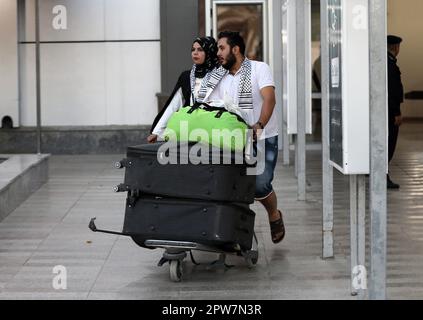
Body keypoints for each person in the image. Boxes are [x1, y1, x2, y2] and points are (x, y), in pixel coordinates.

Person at [207, 31, 285, 244]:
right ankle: (234, 229)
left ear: (236, 49)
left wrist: (259, 125)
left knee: (259, 185)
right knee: (230, 185)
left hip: (263, 137)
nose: (218, 53)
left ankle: (274, 215)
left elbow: (270, 99)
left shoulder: (259, 69)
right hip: (231, 142)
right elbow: (210, 106)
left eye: (221, 48)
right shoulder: (219, 76)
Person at [147, 36, 220, 142]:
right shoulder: (187, 76)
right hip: (191, 126)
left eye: (200, 50)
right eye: (193, 50)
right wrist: (157, 132)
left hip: (213, 127)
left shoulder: (219, 75)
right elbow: (174, 105)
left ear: (210, 52)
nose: (195, 53)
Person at [387, 35, 404, 189]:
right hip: (389, 112)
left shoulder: (384, 63)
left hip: (384, 110)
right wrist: (396, 113)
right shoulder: (391, 66)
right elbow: (392, 92)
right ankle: (383, 176)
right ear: (395, 48)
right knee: (389, 144)